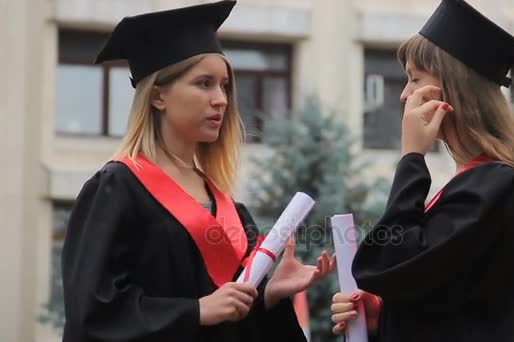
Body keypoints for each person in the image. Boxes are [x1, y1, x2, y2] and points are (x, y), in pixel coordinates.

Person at [61, 1, 335, 341]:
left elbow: (236, 324)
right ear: (158, 96)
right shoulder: (117, 189)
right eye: (204, 83)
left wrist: (269, 296)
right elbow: (92, 311)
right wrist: (196, 311)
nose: (220, 99)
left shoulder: (230, 209)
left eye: (224, 86)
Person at [329, 0, 514, 341]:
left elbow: (385, 264)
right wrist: (382, 317)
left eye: (414, 78)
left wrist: (412, 158)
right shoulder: (486, 184)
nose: (404, 95)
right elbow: (445, 305)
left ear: (451, 90)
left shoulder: (494, 185)